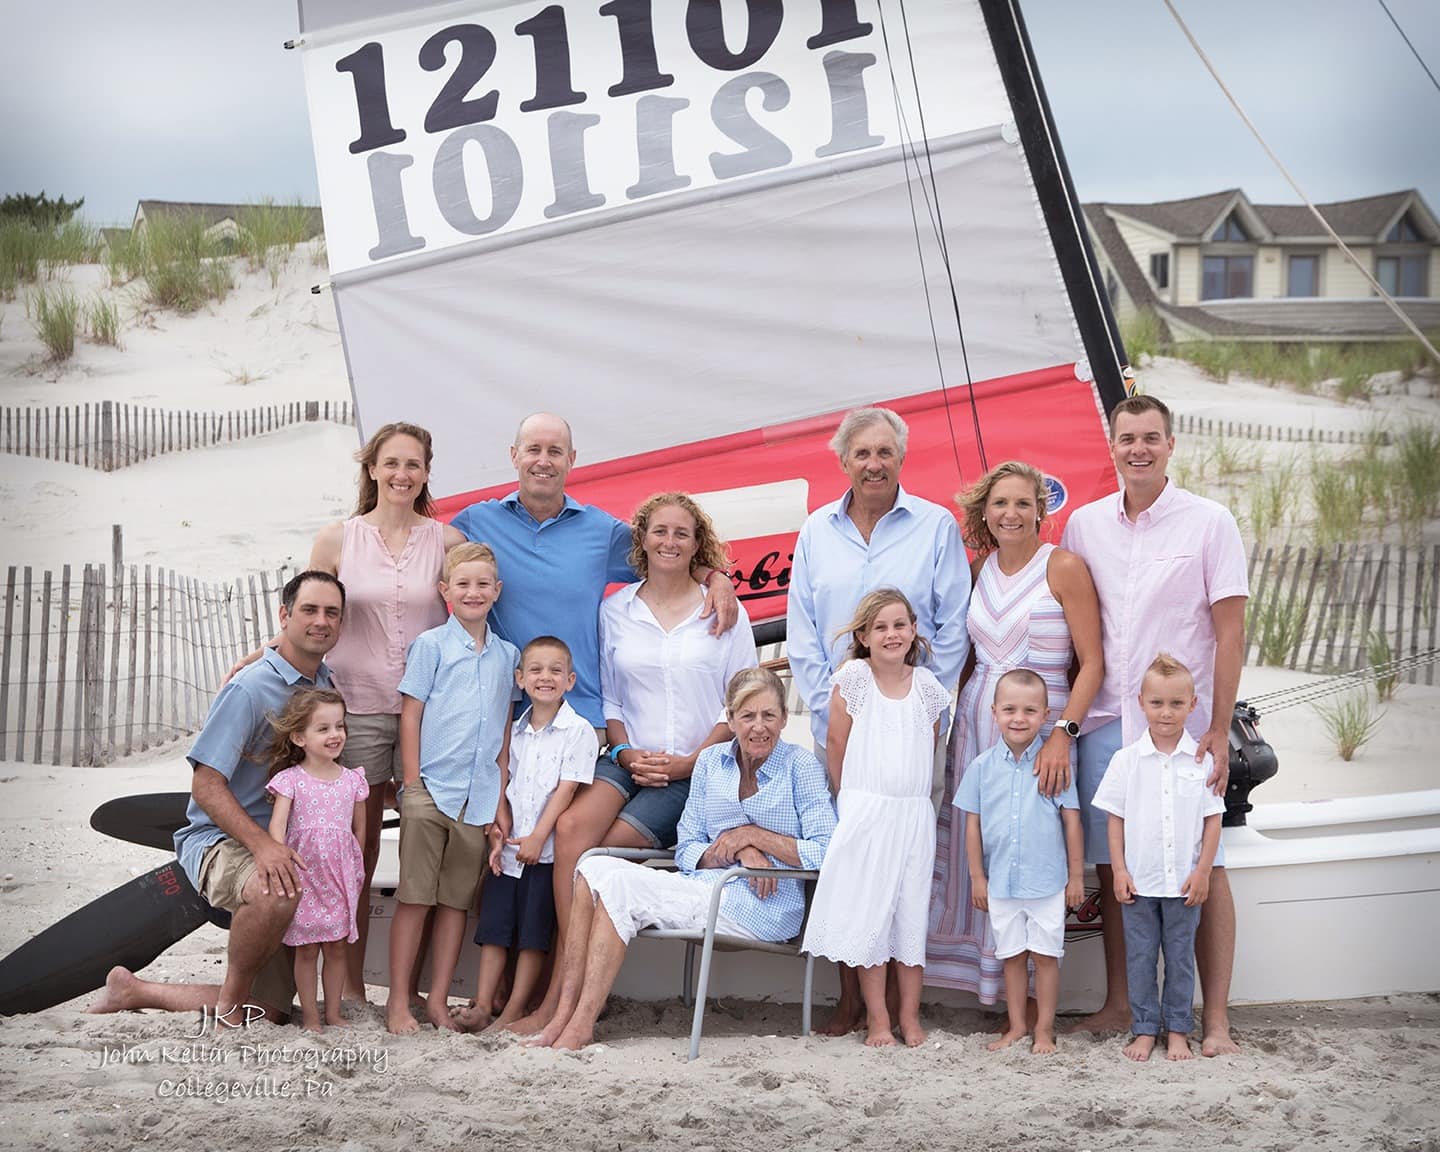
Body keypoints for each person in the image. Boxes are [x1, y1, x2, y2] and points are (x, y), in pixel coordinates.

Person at [229, 421, 463, 1001]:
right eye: (391, 464)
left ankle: (414, 988)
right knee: (353, 850)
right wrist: (265, 649)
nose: (401, 475)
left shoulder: (448, 543)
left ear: (427, 472)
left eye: (413, 465)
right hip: (351, 713)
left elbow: (472, 619)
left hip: (425, 715)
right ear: (372, 470)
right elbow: (314, 611)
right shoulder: (338, 539)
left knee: (427, 846)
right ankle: (351, 986)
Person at [518, 493, 756, 1033]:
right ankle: (561, 986)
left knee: (607, 852)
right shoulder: (615, 609)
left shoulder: (722, 609)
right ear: (642, 539)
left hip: (698, 767)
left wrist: (688, 763)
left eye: (682, 534)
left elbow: (738, 701)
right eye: (660, 532)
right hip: (629, 756)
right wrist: (624, 751)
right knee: (572, 827)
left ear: (699, 545)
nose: (669, 542)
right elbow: (612, 699)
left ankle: (573, 997)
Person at [1061, 394, 1247, 1057]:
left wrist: (1219, 728)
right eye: (1126, 438)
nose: (1138, 448)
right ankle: (1121, 1005)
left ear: (1171, 444)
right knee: (1120, 867)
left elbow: (1230, 635)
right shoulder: (1082, 525)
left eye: (1150, 437)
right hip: (1111, 721)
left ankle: (1216, 1021)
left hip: (1187, 726)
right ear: (1111, 446)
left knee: (1211, 866)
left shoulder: (1210, 522)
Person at [530, 668, 836, 1050]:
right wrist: (736, 845)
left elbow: (826, 850)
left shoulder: (801, 767)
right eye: (747, 716)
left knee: (620, 885)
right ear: (730, 718)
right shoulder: (710, 763)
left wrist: (756, 836)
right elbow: (688, 846)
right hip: (706, 888)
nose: (759, 727)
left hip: (765, 905)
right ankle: (564, 1017)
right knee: (592, 867)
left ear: (784, 718)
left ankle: (579, 1026)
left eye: (769, 715)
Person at [89, 571, 346, 1024]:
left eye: (332, 613)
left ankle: (134, 989)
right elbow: (206, 784)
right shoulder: (249, 689)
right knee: (276, 890)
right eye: (309, 610)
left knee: (270, 1011)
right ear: (284, 616)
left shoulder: (324, 685)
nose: (321, 621)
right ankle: (230, 1005)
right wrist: (264, 847)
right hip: (223, 842)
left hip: (285, 845)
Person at [787, 406, 971, 1034]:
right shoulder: (816, 530)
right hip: (840, 726)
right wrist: (827, 707)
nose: (873, 464)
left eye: (884, 453)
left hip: (913, 728)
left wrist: (924, 700)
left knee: (906, 864)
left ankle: (902, 1011)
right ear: (843, 461)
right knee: (851, 864)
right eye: (861, 453)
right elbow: (804, 633)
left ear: (900, 457)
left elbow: (952, 625)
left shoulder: (935, 526)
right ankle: (853, 1003)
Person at [927, 460, 1103, 1003]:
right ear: (985, 511)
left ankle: (1036, 1000)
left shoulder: (1064, 567)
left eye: (1023, 503)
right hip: (978, 728)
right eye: (1000, 503)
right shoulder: (978, 569)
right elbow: (965, 659)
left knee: (1033, 849)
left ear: (1040, 510)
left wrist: (1063, 734)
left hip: (1044, 733)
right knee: (982, 844)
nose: (1011, 513)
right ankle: (981, 983)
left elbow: (1093, 664)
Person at [449, 414, 739, 732]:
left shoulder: (601, 531)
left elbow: (667, 554)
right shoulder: (476, 522)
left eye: (555, 451)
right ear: (514, 455)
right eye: (533, 449)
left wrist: (716, 578)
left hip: (579, 717)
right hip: (499, 715)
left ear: (571, 460)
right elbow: (415, 553)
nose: (543, 461)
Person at [802, 589, 950, 1048]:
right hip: (866, 811)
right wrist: (849, 804)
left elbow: (929, 749)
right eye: (881, 627)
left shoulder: (928, 687)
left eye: (900, 625)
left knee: (909, 920)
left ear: (913, 632)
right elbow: (837, 746)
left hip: (912, 817)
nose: (892, 634)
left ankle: (910, 1017)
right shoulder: (854, 678)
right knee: (871, 921)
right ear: (864, 636)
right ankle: (879, 1020)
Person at [388, 543, 519, 1034]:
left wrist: (500, 795)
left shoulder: (508, 656)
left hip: (479, 797)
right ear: (445, 591)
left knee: (454, 905)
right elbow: (412, 712)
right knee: (415, 898)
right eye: (463, 584)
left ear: (497, 591)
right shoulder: (431, 646)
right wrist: (413, 779)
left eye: (483, 584)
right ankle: (400, 1003)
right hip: (431, 790)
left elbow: (505, 729)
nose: (473, 592)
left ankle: (438, 1000)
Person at [456, 636, 598, 1033]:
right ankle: (484, 1004)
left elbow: (567, 791)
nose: (545, 677)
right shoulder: (514, 732)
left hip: (546, 852)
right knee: (495, 929)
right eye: (535, 670)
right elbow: (502, 780)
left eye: (555, 671)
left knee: (534, 936)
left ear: (570, 680)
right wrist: (499, 830)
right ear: (520, 678)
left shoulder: (578, 731)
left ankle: (513, 1010)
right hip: (508, 848)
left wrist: (538, 837)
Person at [1092, 654, 1225, 1062]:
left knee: (1181, 958)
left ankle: (1180, 1031)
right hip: (1140, 883)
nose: (1165, 713)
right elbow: (1115, 820)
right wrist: (1118, 870)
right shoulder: (1125, 761)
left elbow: (1212, 820)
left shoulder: (1203, 762)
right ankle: (1145, 1029)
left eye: (1175, 704)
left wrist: (1203, 872)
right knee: (1141, 957)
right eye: (1157, 703)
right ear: (1141, 702)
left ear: (1192, 704)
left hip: (1184, 883)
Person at [955, 669, 1083, 1055]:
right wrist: (978, 877)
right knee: (1010, 956)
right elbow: (972, 825)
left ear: (1045, 715)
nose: (1018, 718)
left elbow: (1071, 820)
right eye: (1009, 709)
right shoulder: (980, 768)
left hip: (1046, 881)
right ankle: (1015, 1027)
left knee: (1045, 957)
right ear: (994, 712)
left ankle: (1044, 1030)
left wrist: (1076, 876)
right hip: (1001, 884)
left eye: (1029, 710)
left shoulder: (1054, 763)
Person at [264, 687, 369, 1032]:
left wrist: (356, 872)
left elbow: (359, 832)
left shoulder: (353, 781)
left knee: (337, 946)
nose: (335, 734)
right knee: (307, 949)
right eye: (323, 729)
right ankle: (311, 1016)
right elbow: (277, 829)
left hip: (339, 875)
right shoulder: (291, 780)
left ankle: (334, 1012)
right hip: (304, 874)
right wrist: (283, 861)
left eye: (339, 726)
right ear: (299, 737)